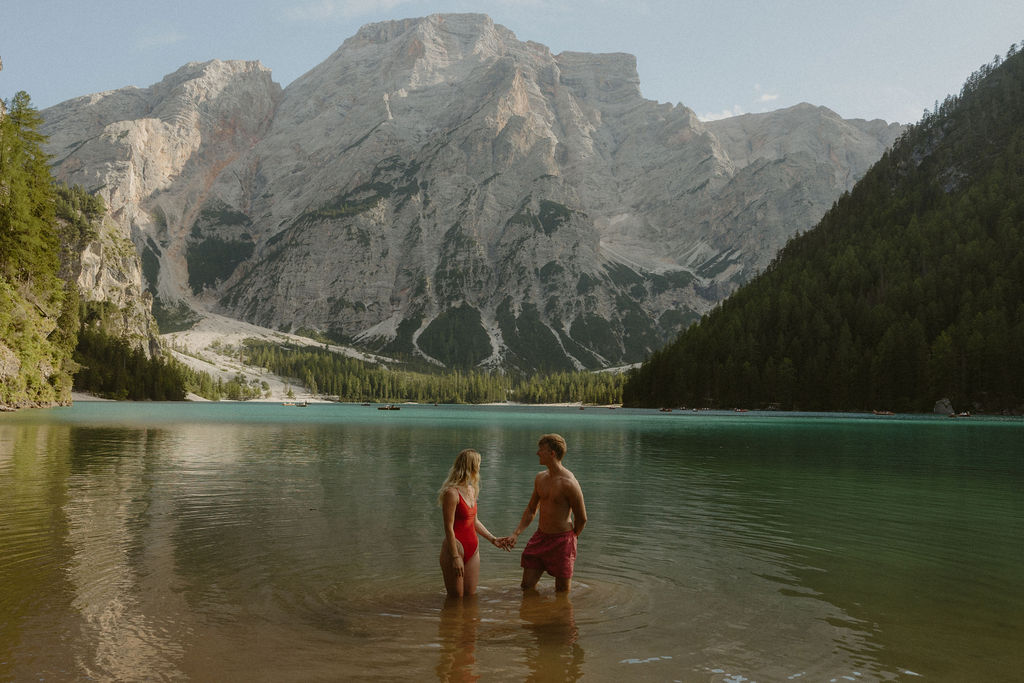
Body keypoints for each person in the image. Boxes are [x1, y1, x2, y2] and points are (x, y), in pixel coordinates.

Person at [509, 434, 588, 593]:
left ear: (552, 453)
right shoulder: (540, 478)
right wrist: (516, 533)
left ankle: (558, 617)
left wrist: (571, 538)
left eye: (541, 450)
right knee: (526, 587)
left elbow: (582, 518)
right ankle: (535, 615)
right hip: (540, 537)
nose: (538, 453)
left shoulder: (569, 483)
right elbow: (532, 509)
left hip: (562, 541)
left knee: (562, 592)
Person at [438, 448, 510, 597]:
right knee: (455, 599)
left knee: (470, 596)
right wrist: (455, 557)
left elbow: (474, 521)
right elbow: (448, 527)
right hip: (455, 547)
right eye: (478, 464)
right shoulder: (451, 493)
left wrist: (493, 539)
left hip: (473, 547)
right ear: (470, 467)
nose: (479, 468)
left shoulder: (471, 490)